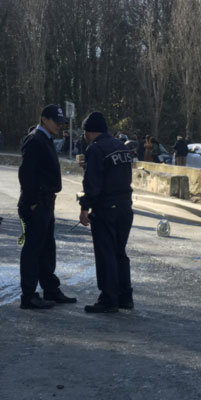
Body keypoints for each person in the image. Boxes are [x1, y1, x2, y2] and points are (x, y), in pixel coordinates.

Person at [18, 104, 77, 309]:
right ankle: (28, 295)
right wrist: (33, 202)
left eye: (60, 122)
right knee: (33, 250)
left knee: (47, 248)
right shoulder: (35, 139)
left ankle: (50, 289)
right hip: (37, 202)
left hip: (46, 201)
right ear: (44, 119)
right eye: (55, 121)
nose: (59, 125)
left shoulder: (45, 139)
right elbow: (26, 174)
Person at [79, 112, 134, 313]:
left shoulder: (95, 149)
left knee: (105, 254)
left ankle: (108, 298)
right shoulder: (122, 146)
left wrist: (85, 207)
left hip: (106, 208)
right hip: (126, 206)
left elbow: (92, 183)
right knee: (120, 252)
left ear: (88, 131)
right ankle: (125, 296)